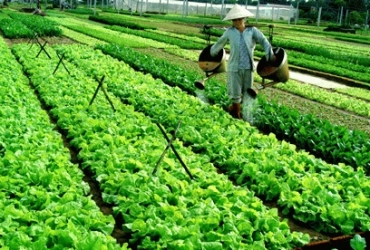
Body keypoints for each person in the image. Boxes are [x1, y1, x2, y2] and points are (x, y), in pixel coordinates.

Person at [210, 4, 275, 119]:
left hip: (248, 67)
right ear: (232, 21)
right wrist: (212, 53)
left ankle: (236, 110)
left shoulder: (252, 31)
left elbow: (263, 40)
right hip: (234, 67)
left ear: (244, 19)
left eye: (239, 19)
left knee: (247, 93)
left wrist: (269, 54)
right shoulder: (229, 32)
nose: (237, 21)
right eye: (234, 19)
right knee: (235, 93)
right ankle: (237, 115)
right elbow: (220, 43)